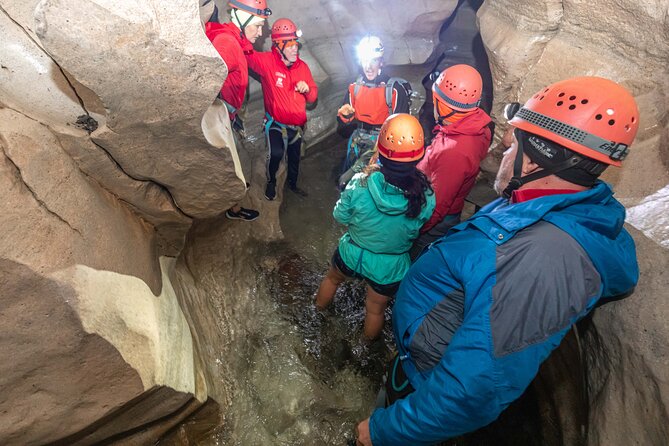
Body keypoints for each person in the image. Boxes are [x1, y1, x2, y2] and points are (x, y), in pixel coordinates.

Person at [354, 76, 640, 445]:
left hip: (427, 383)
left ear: (539, 159)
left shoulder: (544, 259)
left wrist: (383, 431)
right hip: (428, 350)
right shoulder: (535, 204)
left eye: (510, 147)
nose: (500, 155)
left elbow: (472, 390)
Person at [315, 114, 435, 340]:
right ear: (418, 156)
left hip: (353, 254)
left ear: (380, 151)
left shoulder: (360, 182)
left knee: (332, 279)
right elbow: (417, 227)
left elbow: (339, 215)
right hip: (389, 266)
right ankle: (365, 346)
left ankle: (317, 312)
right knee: (375, 309)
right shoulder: (426, 196)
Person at [409, 64, 492, 259]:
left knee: (412, 263)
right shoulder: (475, 127)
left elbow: (437, 205)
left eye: (434, 99)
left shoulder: (455, 151)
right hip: (444, 210)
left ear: (443, 106)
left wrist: (412, 230)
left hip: (434, 223)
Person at [204, 0, 272, 221]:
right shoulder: (227, 43)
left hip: (226, 112)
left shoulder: (234, 41)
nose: (261, 33)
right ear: (242, 18)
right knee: (230, 167)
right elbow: (205, 84)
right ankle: (234, 209)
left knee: (234, 163)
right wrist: (221, 111)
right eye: (258, 25)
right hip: (217, 115)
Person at [242, 18, 318, 201]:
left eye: (295, 44)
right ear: (278, 46)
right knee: (276, 153)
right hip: (275, 123)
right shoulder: (267, 63)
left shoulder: (303, 67)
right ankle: (271, 182)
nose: (295, 48)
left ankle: (292, 184)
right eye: (290, 44)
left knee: (294, 159)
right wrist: (242, 31)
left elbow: (313, 96)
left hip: (296, 128)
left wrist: (307, 90)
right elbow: (246, 55)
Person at [336, 36, 412, 190]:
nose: (368, 66)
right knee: (350, 183)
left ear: (381, 62)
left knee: (360, 183)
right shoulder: (355, 87)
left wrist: (382, 151)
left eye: (373, 61)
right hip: (358, 138)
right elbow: (344, 122)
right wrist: (344, 116)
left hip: (381, 143)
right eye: (365, 61)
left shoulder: (394, 90)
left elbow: (401, 128)